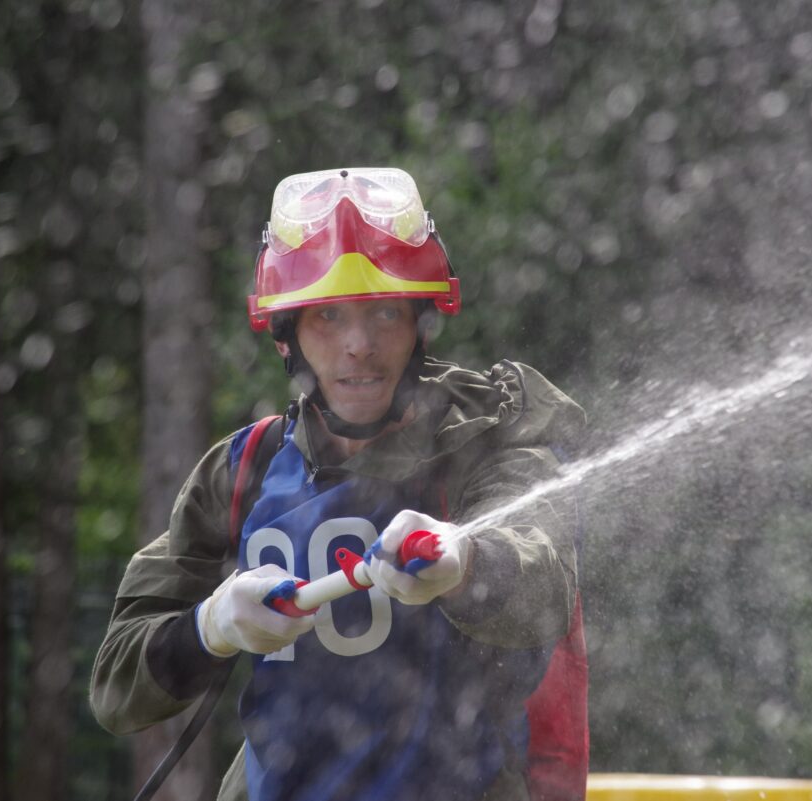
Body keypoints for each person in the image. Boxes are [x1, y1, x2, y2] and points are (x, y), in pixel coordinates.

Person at [90, 167, 587, 801]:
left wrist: (465, 564)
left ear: (421, 325)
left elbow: (544, 587)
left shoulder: (488, 440)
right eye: (327, 315)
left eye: (385, 312)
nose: (360, 345)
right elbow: (116, 692)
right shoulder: (241, 471)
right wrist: (210, 627)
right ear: (285, 338)